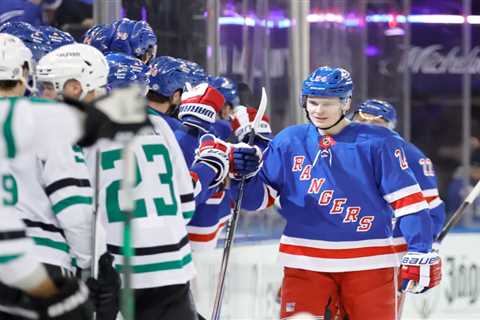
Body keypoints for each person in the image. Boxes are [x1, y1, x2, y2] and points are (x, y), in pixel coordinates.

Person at [233, 66, 442, 319]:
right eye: (313, 102)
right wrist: (243, 175)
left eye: (328, 104)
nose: (319, 111)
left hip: (371, 263)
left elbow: (409, 203)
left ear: (346, 103)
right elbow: (257, 200)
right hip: (305, 261)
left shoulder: (380, 142)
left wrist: (420, 249)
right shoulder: (289, 141)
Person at [352, 99, 446, 241]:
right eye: (361, 121)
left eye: (376, 123)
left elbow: (431, 206)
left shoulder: (410, 156)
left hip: (393, 244)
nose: (367, 128)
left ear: (391, 127)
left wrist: (424, 243)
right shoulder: (335, 151)